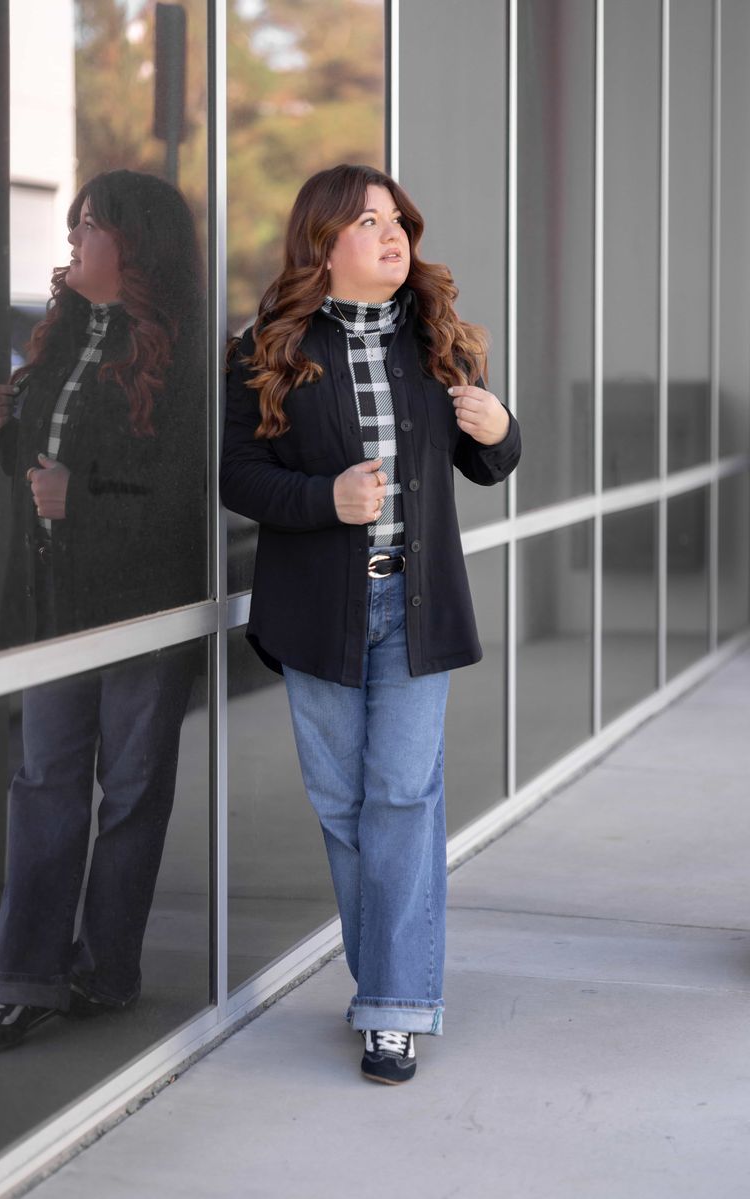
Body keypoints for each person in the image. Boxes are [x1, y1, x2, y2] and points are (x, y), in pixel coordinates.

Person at [220, 163, 521, 1084]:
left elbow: (490, 463)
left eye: (397, 221)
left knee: (400, 795)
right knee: (344, 805)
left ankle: (392, 1006)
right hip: (318, 613)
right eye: (367, 222)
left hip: (414, 606)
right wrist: (327, 498)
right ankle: (389, 978)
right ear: (324, 245)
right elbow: (238, 478)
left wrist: (500, 422)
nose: (393, 237)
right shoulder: (267, 347)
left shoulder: (439, 339)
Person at [0, 169, 206, 1054]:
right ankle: (21, 980)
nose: (73, 239)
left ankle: (106, 970)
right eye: (73, 224)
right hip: (55, 615)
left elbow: (185, 498)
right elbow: (42, 494)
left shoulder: (186, 359)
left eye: (90, 225)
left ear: (135, 247)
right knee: (43, 789)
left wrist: (82, 499)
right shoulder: (57, 340)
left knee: (133, 794)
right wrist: (0, 438)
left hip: (143, 613)